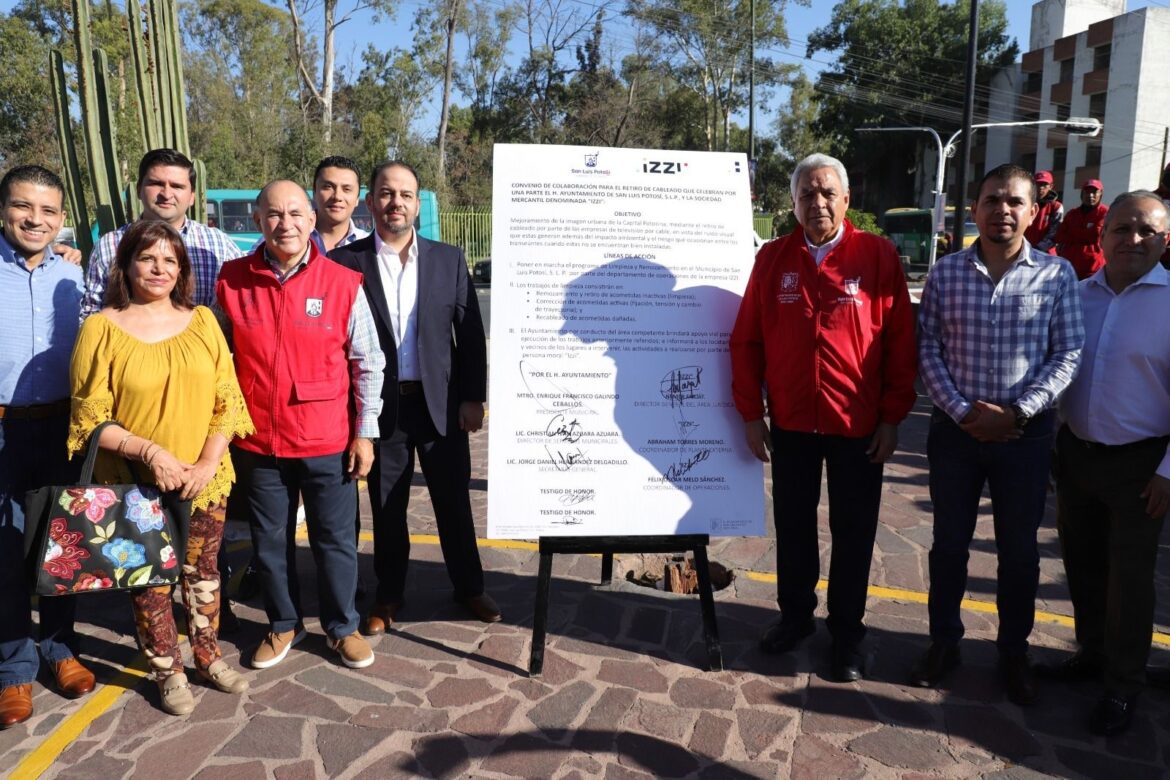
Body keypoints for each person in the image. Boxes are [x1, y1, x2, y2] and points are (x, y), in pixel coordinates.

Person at [727, 153, 917, 682]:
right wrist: (751, 413)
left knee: (853, 531)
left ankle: (847, 634)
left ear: (846, 199)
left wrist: (892, 417)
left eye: (828, 193)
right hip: (791, 424)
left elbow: (901, 342)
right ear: (793, 203)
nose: (818, 203)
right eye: (807, 194)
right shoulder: (772, 260)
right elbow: (746, 341)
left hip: (858, 426)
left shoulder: (876, 256)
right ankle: (795, 618)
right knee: (793, 526)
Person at [913, 163, 1084, 705]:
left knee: (1020, 552)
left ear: (1034, 212)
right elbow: (928, 348)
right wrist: (964, 412)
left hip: (1024, 439)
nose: (1002, 211)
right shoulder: (945, 273)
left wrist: (1018, 414)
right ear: (974, 210)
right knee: (948, 545)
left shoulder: (1057, 275)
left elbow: (1068, 354)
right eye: (991, 200)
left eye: (1014, 202)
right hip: (955, 434)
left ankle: (1013, 652)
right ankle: (944, 642)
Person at [68, 219, 254, 715]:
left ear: (182, 269)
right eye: (147, 258)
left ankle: (208, 656)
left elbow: (229, 399)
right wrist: (151, 453)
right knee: (149, 581)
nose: (159, 268)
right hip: (136, 484)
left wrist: (207, 462)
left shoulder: (203, 321)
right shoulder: (101, 328)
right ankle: (167, 670)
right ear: (126, 265)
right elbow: (88, 418)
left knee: (203, 573)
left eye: (170, 260)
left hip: (204, 479)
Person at [216, 180, 384, 670]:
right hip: (258, 442)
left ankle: (342, 627)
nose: (284, 223)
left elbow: (368, 363)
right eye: (273, 214)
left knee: (335, 541)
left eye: (294, 213)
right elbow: (216, 359)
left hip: (325, 439)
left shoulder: (342, 282)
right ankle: (283, 623)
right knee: (270, 542)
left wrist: (365, 433)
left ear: (311, 220)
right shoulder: (231, 281)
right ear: (257, 221)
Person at [329, 160, 496, 632]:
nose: (395, 202)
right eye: (386, 193)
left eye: (405, 194)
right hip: (381, 407)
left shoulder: (448, 259)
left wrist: (473, 398)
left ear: (417, 204)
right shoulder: (346, 263)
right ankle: (388, 596)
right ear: (370, 202)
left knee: (453, 501)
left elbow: (469, 333)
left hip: (441, 405)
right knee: (387, 506)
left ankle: (470, 587)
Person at [1041, 191, 1170, 735]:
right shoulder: (1077, 296)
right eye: (1121, 229)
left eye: (1146, 231)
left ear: (1165, 240)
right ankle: (1091, 654)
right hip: (1077, 456)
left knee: (1130, 581)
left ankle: (1123, 684)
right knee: (1083, 565)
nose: (1132, 240)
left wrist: (1168, 473)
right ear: (1103, 234)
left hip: (1143, 467)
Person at [0, 165, 96, 728]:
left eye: (47, 211)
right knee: (6, 548)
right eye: (22, 206)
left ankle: (60, 648)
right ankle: (14, 666)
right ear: (4, 210)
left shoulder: (74, 274)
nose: (35, 219)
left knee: (63, 545)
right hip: (4, 428)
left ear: (61, 219)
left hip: (62, 425)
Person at [81, 148, 241, 318]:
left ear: (192, 196)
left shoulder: (219, 245)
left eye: (177, 186)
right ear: (138, 190)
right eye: (156, 184)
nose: (166, 194)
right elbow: (91, 312)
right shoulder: (110, 245)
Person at [1054, 179, 1108, 280]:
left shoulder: (1105, 213)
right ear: (1082, 194)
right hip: (1070, 266)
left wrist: (1072, 233)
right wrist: (1084, 233)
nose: (1090, 195)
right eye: (1087, 192)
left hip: (1093, 268)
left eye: (1094, 192)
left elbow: (1095, 235)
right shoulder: (1072, 213)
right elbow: (1060, 236)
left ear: (1100, 193)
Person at [1023, 170, 1062, 254]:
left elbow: (1055, 233)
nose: (1040, 188)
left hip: (1046, 254)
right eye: (1038, 184)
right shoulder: (1024, 204)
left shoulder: (1056, 207)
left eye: (1044, 184)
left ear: (1051, 186)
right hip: (1023, 251)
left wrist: (1037, 249)